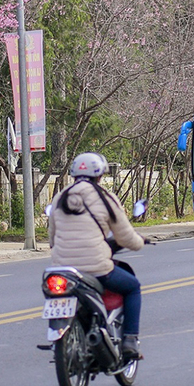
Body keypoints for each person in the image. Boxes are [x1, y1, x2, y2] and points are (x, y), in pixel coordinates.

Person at [48, 152, 147, 360]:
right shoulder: (105, 198)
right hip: (96, 268)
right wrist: (139, 242)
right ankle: (129, 340)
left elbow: (52, 238)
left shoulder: (60, 197)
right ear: (100, 175)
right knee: (132, 288)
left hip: (62, 270)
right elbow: (125, 235)